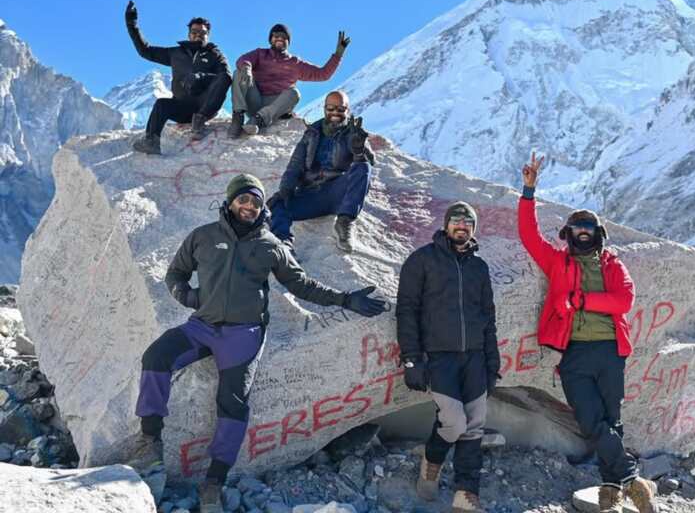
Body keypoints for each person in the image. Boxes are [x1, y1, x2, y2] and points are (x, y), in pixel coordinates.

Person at [127, 174, 387, 512]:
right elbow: (175, 274)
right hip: (202, 326)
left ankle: (214, 482)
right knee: (156, 357)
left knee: (232, 403)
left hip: (244, 333)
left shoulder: (270, 245)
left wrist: (345, 299)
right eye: (243, 199)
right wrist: (189, 297)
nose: (249, 206)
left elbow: (301, 284)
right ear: (231, 201)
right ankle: (151, 441)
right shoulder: (203, 237)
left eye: (255, 201)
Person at [517, 152, 659, 513]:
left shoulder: (613, 264)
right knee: (590, 419)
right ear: (568, 234)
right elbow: (528, 234)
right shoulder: (557, 262)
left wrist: (579, 299)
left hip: (611, 351)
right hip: (575, 352)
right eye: (577, 227)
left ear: (598, 234)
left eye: (589, 227)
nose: (583, 231)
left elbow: (623, 300)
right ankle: (631, 479)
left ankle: (611, 487)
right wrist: (528, 191)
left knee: (611, 421)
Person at [396, 202, 500, 513]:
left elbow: (488, 318)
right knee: (454, 422)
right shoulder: (422, 261)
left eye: (468, 222)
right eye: (456, 220)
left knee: (475, 426)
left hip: (476, 358)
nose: (462, 226)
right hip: (439, 357)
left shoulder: (479, 267)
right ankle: (432, 459)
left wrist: (492, 364)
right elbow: (406, 311)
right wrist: (411, 359)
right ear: (445, 225)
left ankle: (465, 497)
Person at [268, 91, 373, 253]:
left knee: (363, 167)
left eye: (340, 109)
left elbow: (367, 168)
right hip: (311, 194)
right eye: (331, 108)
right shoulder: (312, 132)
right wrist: (286, 190)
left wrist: (359, 151)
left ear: (348, 110)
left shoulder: (354, 132)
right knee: (277, 203)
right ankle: (284, 249)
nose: (335, 113)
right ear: (324, 109)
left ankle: (344, 222)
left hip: (338, 193)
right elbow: (295, 164)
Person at [124, 1, 232, 154]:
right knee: (162, 104)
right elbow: (145, 50)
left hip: (204, 107)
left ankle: (199, 121)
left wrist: (201, 77)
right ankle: (151, 141)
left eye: (202, 33)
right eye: (194, 32)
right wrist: (132, 24)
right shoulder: (176, 53)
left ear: (208, 35)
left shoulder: (215, 54)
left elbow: (225, 76)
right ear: (189, 34)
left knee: (224, 78)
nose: (198, 36)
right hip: (181, 107)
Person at [228, 24, 350, 138]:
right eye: (276, 36)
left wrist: (338, 54)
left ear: (288, 42)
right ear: (270, 39)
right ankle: (237, 117)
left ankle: (258, 120)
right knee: (239, 72)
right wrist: (247, 68)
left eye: (284, 37)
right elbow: (243, 59)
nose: (279, 38)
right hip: (254, 100)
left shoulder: (295, 63)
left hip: (275, 107)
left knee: (294, 93)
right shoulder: (260, 54)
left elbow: (323, 74)